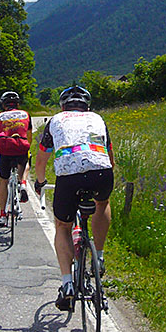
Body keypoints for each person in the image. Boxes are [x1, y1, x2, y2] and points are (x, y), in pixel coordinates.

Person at [34, 85, 114, 312]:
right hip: (101, 174)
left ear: (62, 106)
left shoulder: (55, 121)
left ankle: (67, 285)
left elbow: (41, 161)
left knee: (62, 226)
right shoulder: (98, 119)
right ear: (88, 106)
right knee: (102, 203)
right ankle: (98, 257)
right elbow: (109, 156)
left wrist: (40, 183)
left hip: (69, 178)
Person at [0, 91, 32, 227]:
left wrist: (1, 149)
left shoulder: (0, 116)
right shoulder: (25, 114)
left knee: (3, 181)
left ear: (3, 104)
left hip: (5, 150)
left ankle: (3, 214)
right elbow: (29, 135)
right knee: (26, 161)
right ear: (17, 103)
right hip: (21, 147)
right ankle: (23, 183)